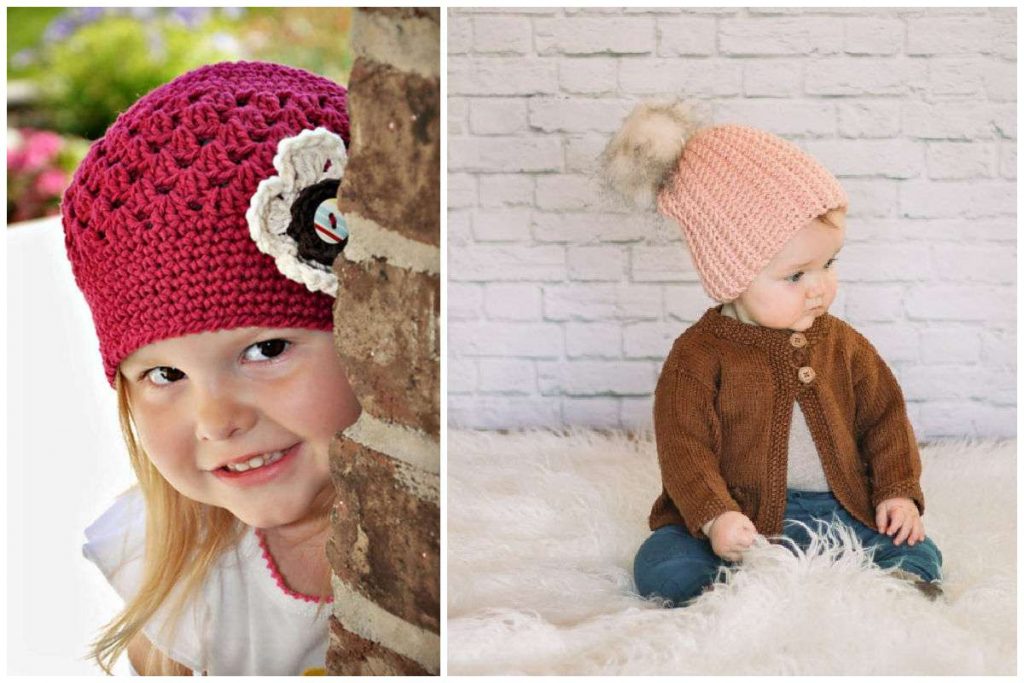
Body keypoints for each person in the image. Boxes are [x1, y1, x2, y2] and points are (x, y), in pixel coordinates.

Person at [65, 61, 361, 674]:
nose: (217, 420)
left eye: (267, 350)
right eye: (166, 376)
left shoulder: (442, 544)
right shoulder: (176, 570)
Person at [600, 101, 943, 607]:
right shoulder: (698, 357)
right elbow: (684, 448)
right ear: (731, 275)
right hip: (742, 518)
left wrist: (896, 492)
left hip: (841, 508)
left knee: (915, 548)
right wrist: (716, 516)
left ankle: (896, 588)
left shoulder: (844, 345)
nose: (820, 288)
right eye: (796, 275)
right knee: (663, 562)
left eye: (830, 263)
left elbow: (885, 421)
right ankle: (722, 591)